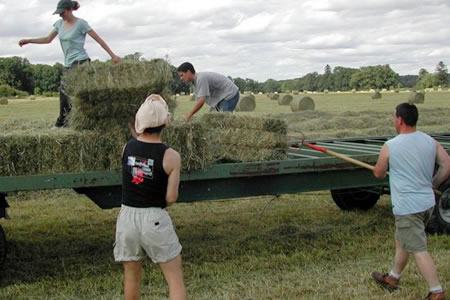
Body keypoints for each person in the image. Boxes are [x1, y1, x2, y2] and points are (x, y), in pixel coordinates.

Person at [371, 103, 450, 300]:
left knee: (418, 249)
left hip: (408, 207)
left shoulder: (391, 145)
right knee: (402, 240)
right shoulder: (429, 141)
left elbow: (379, 174)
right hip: (427, 203)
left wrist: (375, 169)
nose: (393, 120)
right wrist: (434, 182)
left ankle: (436, 291)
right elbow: (447, 164)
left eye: (394, 116)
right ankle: (393, 278)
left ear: (399, 119)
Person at [114, 94, 186, 300]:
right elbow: (171, 197)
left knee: (131, 276)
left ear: (140, 122)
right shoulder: (171, 155)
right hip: (154, 218)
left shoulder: (126, 147)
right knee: (174, 277)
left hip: (126, 218)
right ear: (165, 123)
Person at [18, 0, 121, 127]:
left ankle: (62, 123)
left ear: (69, 10)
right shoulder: (59, 24)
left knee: (65, 91)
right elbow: (47, 39)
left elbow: (99, 40)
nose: (60, 15)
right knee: (66, 93)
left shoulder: (81, 24)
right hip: (67, 64)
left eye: (62, 12)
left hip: (80, 63)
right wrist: (28, 41)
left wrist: (113, 56)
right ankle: (69, 122)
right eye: (59, 13)